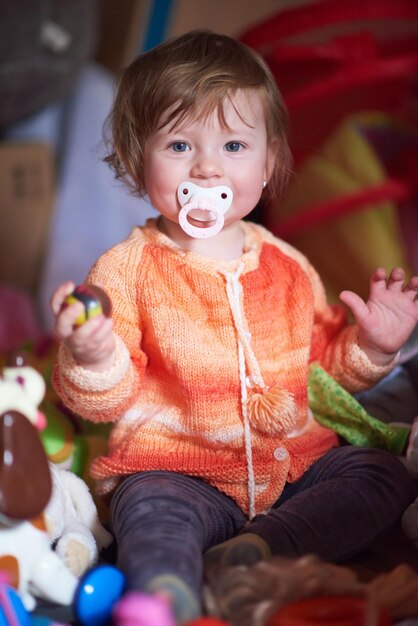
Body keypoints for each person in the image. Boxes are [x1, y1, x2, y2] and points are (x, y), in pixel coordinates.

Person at [50, 30, 418, 624]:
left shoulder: (288, 265)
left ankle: (259, 550)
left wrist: (373, 345)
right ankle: (167, 594)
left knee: (379, 473)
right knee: (148, 510)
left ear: (269, 161)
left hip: (292, 465)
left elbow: (322, 372)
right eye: (177, 144)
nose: (207, 166)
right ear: (134, 158)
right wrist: (93, 355)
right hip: (179, 467)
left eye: (234, 145)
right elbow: (104, 401)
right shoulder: (128, 267)